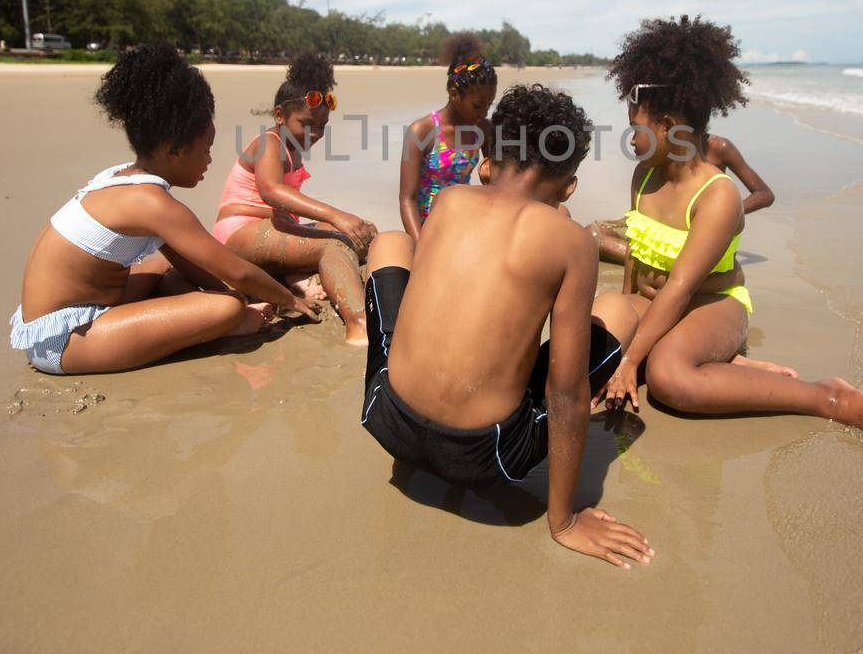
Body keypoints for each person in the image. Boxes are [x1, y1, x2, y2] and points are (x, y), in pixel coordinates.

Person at [361, 84, 654, 569]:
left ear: (486, 161)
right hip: (483, 457)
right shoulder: (572, 242)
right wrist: (564, 519)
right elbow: (566, 391)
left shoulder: (451, 200)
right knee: (620, 311)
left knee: (390, 244)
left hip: (386, 418)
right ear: (568, 186)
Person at [593, 16, 863, 447]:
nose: (630, 141)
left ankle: (827, 396)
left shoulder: (717, 195)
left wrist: (630, 360)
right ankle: (725, 364)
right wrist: (622, 324)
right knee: (599, 320)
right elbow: (635, 262)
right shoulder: (644, 177)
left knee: (670, 381)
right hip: (653, 305)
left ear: (669, 126)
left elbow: (682, 290)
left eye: (636, 129)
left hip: (710, 304)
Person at [8, 44, 317, 375]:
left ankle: (196, 315)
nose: (210, 161)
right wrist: (290, 299)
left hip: (46, 319)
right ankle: (232, 325)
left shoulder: (121, 178)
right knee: (226, 308)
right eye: (205, 150)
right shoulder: (155, 205)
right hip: (64, 338)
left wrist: (235, 289)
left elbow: (195, 263)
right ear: (174, 151)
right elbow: (236, 271)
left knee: (163, 266)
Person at [212, 51, 378, 345]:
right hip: (240, 231)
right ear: (280, 115)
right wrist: (333, 215)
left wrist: (343, 223)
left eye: (322, 127)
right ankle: (359, 324)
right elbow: (271, 191)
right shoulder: (269, 143)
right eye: (307, 124)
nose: (315, 134)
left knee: (365, 232)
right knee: (333, 245)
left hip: (271, 231)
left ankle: (288, 276)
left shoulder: (293, 150)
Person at [589, 132, 773, 266]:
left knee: (593, 238)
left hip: (691, 228)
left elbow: (764, 194)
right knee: (592, 232)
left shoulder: (719, 148)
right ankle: (656, 258)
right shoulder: (666, 148)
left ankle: (660, 261)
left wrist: (720, 215)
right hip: (658, 220)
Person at [398, 33, 498, 239]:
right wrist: (421, 246)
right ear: (454, 94)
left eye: (490, 104)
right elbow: (407, 199)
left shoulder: (483, 129)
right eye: (478, 105)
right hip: (429, 227)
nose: (485, 112)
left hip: (465, 221)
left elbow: (496, 184)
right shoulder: (422, 131)